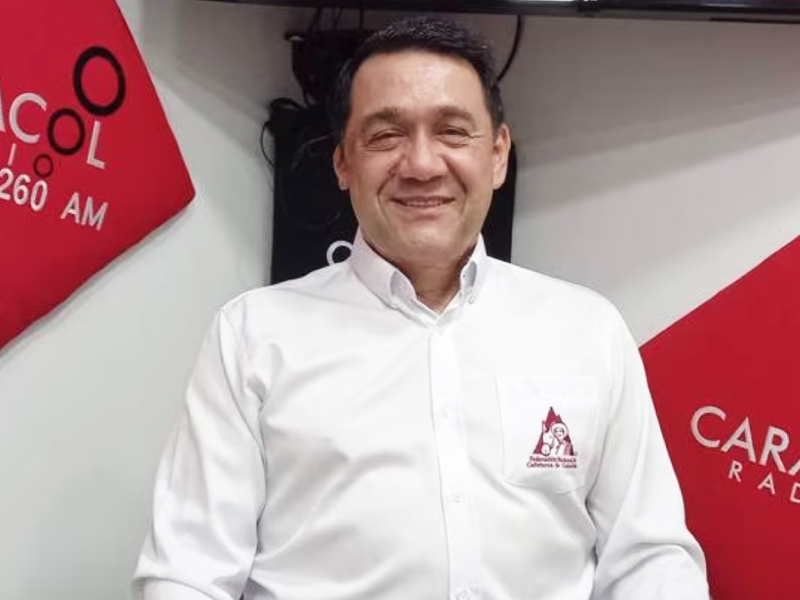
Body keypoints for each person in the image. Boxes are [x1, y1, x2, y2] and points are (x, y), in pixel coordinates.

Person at [132, 16, 710, 600]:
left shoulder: (588, 330)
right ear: (343, 163)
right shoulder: (251, 336)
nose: (422, 165)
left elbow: (648, 557)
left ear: (498, 155)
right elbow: (188, 574)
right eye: (386, 136)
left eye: (453, 132)